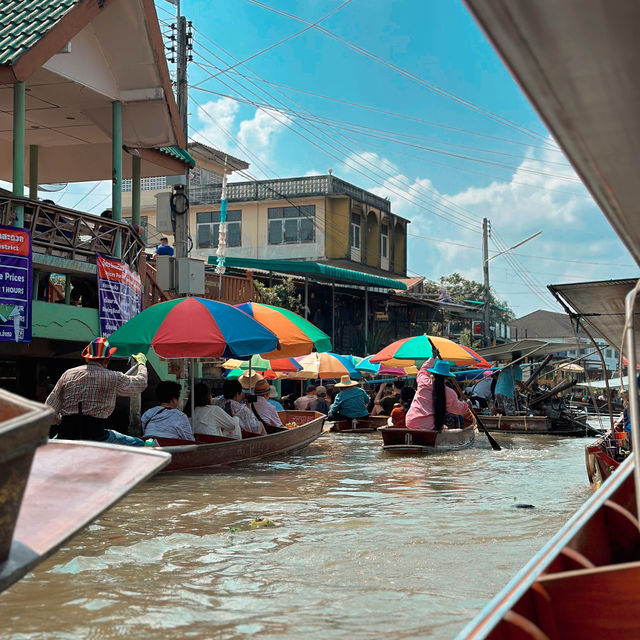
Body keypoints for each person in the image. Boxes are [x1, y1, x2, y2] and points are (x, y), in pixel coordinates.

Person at [46, 337, 148, 446]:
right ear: (107, 360)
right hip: (97, 437)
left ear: (87, 358)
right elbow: (141, 383)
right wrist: (141, 364)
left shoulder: (68, 374)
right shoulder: (114, 377)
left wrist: (61, 420)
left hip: (65, 434)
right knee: (140, 444)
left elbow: (48, 410)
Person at [405, 359, 469, 431]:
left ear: (433, 374)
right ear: (447, 378)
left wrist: (432, 358)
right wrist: (466, 404)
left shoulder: (423, 382)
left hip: (411, 422)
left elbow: (423, 370)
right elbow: (459, 409)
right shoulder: (450, 393)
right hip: (429, 427)